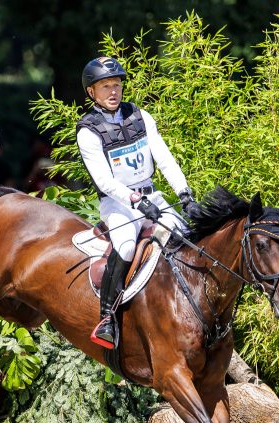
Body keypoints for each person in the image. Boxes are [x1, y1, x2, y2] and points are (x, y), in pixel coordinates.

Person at [76, 56, 194, 350]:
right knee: (127, 246)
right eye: (106, 86)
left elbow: (163, 157)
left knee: (186, 236)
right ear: (92, 92)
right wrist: (136, 202)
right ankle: (108, 319)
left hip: (151, 195)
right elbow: (103, 181)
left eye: (116, 85)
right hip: (119, 205)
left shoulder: (140, 115)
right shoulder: (88, 130)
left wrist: (184, 193)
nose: (114, 91)